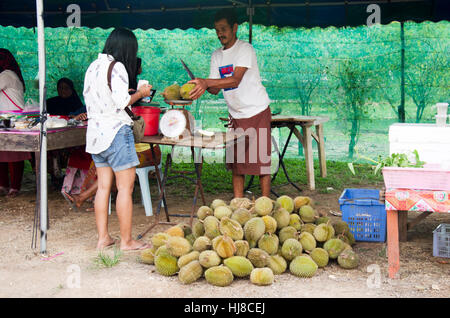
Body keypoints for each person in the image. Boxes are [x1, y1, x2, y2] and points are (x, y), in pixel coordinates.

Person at [188, 9, 272, 198]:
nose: (220, 34)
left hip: (257, 111)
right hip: (236, 115)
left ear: (235, 27)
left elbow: (235, 80)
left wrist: (206, 82)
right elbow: (215, 88)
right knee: (237, 164)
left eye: (224, 29)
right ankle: (238, 203)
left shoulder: (245, 49)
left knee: (262, 163)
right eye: (217, 30)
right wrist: (198, 86)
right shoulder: (217, 55)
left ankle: (266, 205)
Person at [83, 28, 153, 250]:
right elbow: (123, 102)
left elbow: (103, 97)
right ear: (126, 48)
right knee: (125, 188)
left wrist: (130, 93)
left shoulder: (93, 67)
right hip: (115, 131)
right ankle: (126, 241)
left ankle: (103, 238)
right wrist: (141, 92)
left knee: (103, 187)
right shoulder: (118, 67)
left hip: (95, 133)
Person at [0, 48, 31, 197]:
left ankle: (14, 187)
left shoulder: (7, 75)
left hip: (13, 120)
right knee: (3, 152)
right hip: (5, 119)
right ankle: (4, 185)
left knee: (14, 154)